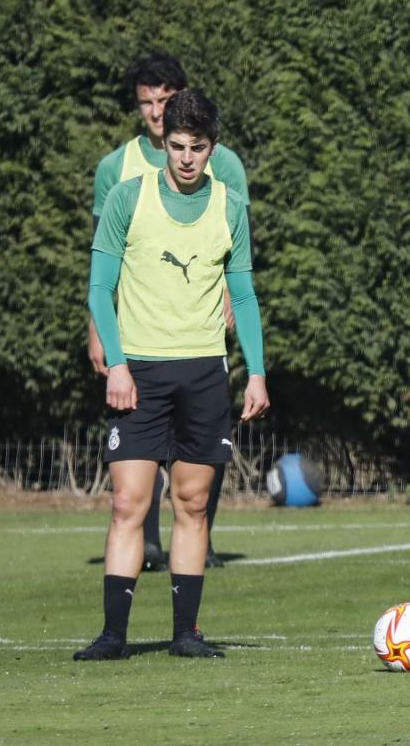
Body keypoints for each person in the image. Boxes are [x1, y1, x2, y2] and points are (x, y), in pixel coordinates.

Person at [75, 90, 269, 660]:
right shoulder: (125, 199)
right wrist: (117, 362)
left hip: (205, 373)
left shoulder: (229, 205)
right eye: (177, 146)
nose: (186, 158)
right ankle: (114, 635)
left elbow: (244, 293)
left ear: (213, 149)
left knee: (190, 502)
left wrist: (256, 372)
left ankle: (186, 634)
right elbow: (98, 290)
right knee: (128, 502)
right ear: (165, 142)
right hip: (139, 373)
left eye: (197, 148)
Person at [89, 52, 249, 571]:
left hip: (199, 338)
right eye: (147, 102)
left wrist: (228, 297)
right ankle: (149, 545)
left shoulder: (220, 163)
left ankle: (197, 539)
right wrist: (98, 332)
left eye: (164, 99)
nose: (156, 111)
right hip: (139, 338)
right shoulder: (116, 169)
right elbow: (103, 261)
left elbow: (231, 246)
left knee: (199, 451)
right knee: (140, 449)